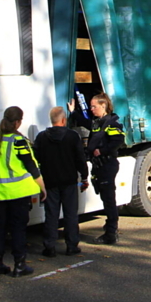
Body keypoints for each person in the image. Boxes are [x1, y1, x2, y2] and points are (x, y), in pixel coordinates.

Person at [0, 106, 47, 277]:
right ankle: (19, 265)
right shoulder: (18, 141)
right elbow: (31, 167)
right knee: (18, 229)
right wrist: (42, 187)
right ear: (18, 122)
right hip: (18, 193)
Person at [34, 106, 89, 257]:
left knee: (51, 214)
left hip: (50, 181)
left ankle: (49, 246)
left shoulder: (41, 137)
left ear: (52, 120)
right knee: (71, 214)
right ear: (64, 120)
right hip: (69, 181)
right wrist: (84, 176)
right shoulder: (72, 136)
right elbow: (80, 158)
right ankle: (71, 245)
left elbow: (36, 157)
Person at [69, 92, 125, 245]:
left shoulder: (111, 123)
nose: (92, 109)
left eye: (94, 106)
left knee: (109, 200)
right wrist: (73, 112)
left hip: (107, 164)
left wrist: (102, 150)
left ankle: (111, 233)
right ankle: (110, 228)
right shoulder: (97, 122)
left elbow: (119, 140)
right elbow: (86, 123)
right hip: (99, 166)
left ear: (103, 106)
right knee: (105, 198)